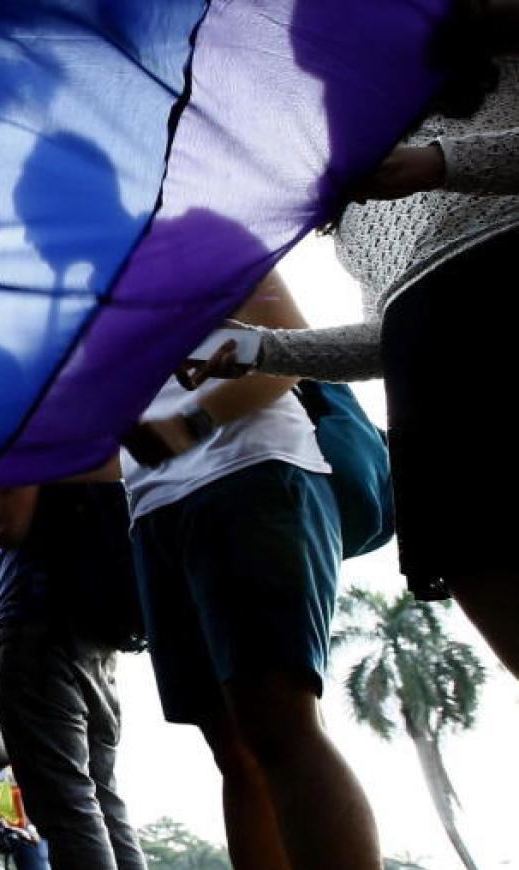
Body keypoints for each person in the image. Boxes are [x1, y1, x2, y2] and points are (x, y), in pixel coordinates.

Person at [181, 50, 519, 684]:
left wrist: (438, 163)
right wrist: (256, 349)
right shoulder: (351, 199)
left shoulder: (498, 68)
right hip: (437, 404)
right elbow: (381, 337)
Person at [124, 274, 388, 870]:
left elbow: (298, 351)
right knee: (233, 753)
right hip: (154, 507)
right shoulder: (61, 297)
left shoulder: (208, 233)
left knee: (280, 723)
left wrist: (192, 422)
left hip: (253, 469)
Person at [0, 461, 163, 870]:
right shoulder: (84, 406)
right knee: (105, 807)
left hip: (39, 621)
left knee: (69, 813)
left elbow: (8, 523)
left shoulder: (23, 406)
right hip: (98, 632)